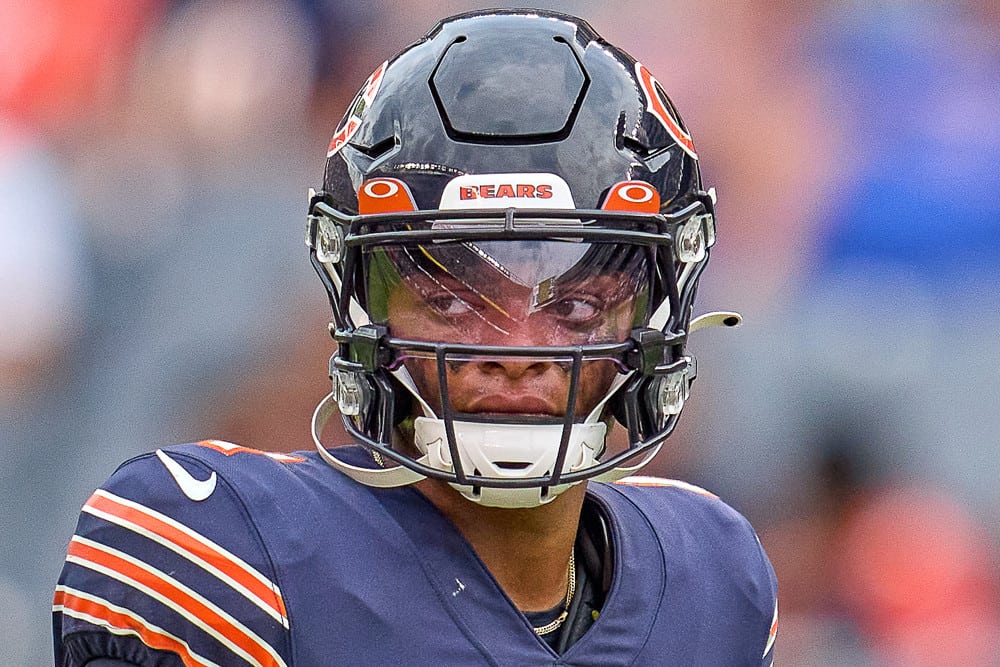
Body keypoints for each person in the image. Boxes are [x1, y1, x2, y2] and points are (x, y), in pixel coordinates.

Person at [53, 9, 777, 665]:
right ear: (362, 306)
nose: (516, 348)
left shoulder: (714, 584)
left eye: (578, 305)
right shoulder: (228, 553)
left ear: (656, 314)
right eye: (452, 299)